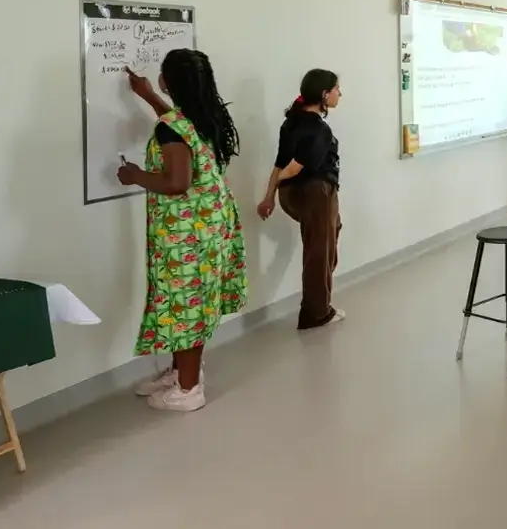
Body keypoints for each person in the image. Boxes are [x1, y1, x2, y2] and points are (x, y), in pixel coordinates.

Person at [118, 49, 248, 412]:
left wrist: (134, 176)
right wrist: (147, 96)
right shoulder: (205, 117)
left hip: (185, 233)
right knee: (191, 301)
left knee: (185, 304)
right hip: (209, 224)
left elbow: (177, 182)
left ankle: (189, 390)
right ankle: (182, 371)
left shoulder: (170, 129)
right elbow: (178, 124)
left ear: (169, 80)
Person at [257, 69, 345, 330]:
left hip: (294, 195)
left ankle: (316, 305)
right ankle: (316, 313)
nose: (340, 93)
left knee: (324, 245)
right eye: (337, 89)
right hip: (315, 194)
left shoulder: (291, 122)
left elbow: (278, 164)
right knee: (320, 253)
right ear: (323, 94)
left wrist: (270, 196)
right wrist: (284, 181)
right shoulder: (319, 129)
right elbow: (292, 167)